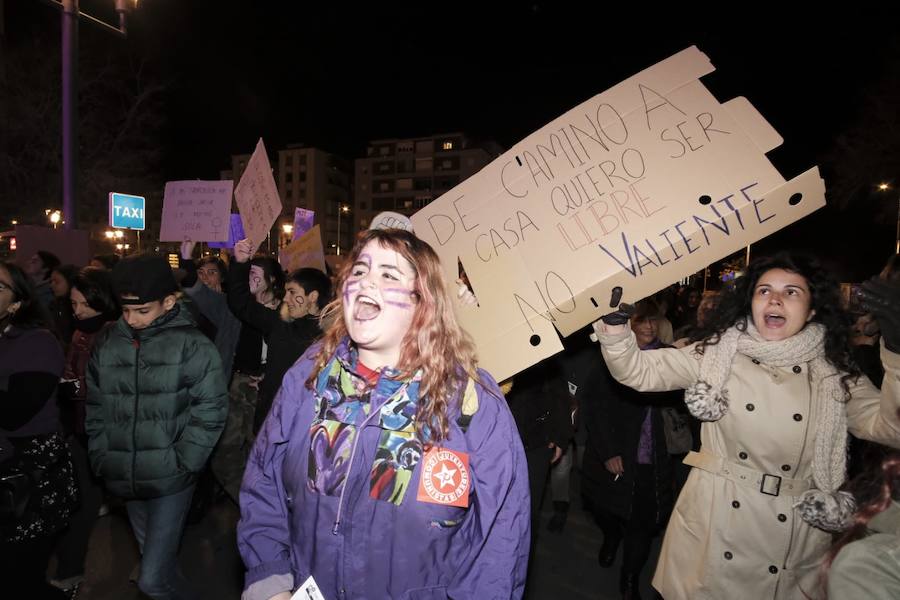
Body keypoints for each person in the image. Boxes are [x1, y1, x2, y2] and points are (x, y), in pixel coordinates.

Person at [238, 229, 530, 600]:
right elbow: (264, 480)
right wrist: (271, 579)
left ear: (423, 302)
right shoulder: (310, 376)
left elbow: (501, 536)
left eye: (389, 274)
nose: (365, 283)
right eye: (359, 271)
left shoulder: (472, 401)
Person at [592, 252, 900, 600]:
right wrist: (616, 328)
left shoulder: (838, 374)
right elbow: (638, 371)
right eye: (764, 290)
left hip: (792, 543)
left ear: (813, 310)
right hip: (716, 526)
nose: (775, 299)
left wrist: (898, 353)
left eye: (792, 292)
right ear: (750, 302)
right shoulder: (715, 355)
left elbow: (890, 428)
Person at [85, 254, 228, 600]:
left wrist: (184, 462)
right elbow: (95, 406)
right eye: (126, 310)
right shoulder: (107, 343)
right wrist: (102, 456)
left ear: (168, 301)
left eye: (142, 311)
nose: (132, 320)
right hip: (125, 475)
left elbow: (211, 410)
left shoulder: (193, 345)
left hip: (172, 478)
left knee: (151, 580)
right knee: (160, 568)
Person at [582, 299, 680, 600]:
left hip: (654, 457)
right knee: (604, 507)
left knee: (643, 524)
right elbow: (595, 407)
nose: (649, 326)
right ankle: (611, 535)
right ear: (627, 324)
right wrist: (608, 451)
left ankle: (629, 577)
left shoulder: (670, 355)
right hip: (618, 451)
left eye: (652, 320)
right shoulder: (608, 357)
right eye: (641, 320)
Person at [0, 261, 78, 600]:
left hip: (27, 479)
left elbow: (15, 412)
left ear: (17, 303)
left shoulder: (36, 343)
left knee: (19, 580)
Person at [50, 267, 121, 595]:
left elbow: (112, 388)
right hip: (80, 431)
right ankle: (70, 571)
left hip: (109, 435)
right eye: (73, 303)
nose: (76, 310)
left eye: (81, 304)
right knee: (78, 503)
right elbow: (71, 372)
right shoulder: (79, 333)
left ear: (99, 301)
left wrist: (76, 388)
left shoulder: (115, 334)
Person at [227, 240, 328, 434]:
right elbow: (241, 304)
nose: (285, 298)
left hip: (304, 428)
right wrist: (240, 264)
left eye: (292, 292)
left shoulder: (332, 338)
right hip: (269, 421)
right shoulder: (279, 324)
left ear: (313, 296)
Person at [48, 263, 79, 348]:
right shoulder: (55, 305)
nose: (52, 285)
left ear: (70, 282)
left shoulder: (77, 308)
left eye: (57, 282)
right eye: (51, 281)